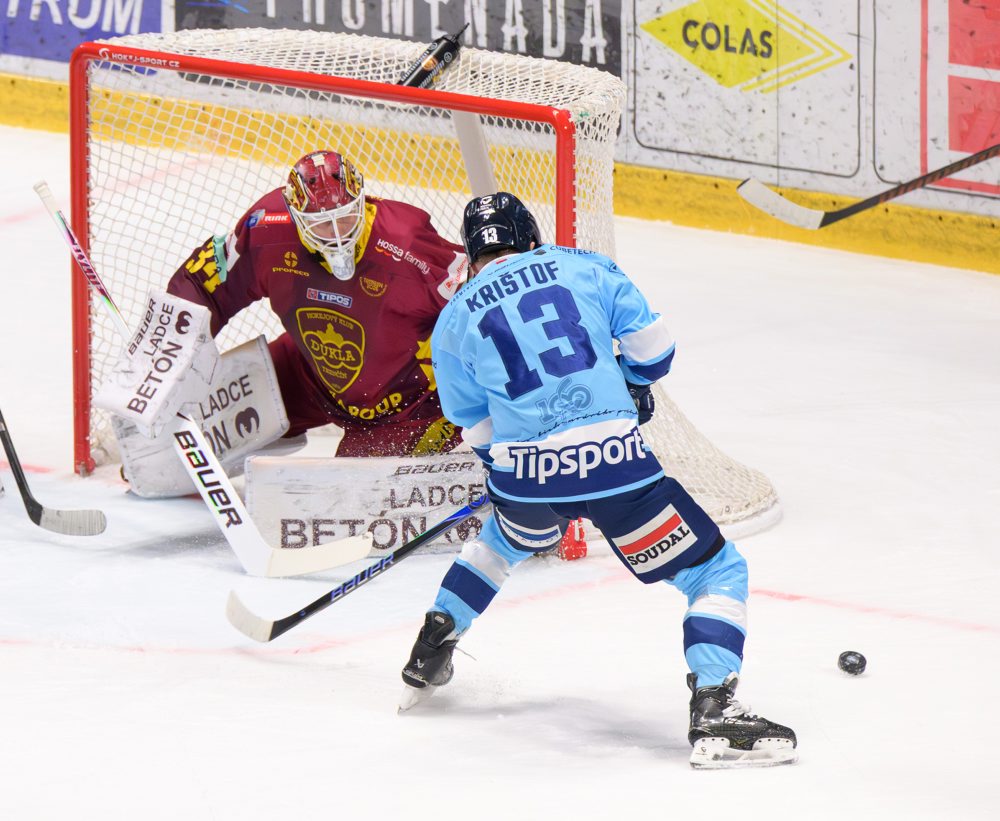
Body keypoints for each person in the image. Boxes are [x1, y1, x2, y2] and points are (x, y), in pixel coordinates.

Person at [399, 192, 797, 769]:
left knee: (506, 538)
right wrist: (634, 383)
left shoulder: (453, 318)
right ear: (530, 237)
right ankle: (714, 707)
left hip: (526, 479)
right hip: (615, 469)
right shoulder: (585, 265)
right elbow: (655, 351)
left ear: (473, 252)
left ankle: (432, 644)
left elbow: (475, 424)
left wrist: (510, 470)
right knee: (717, 571)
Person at [166, 150, 469, 457]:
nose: (337, 235)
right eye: (322, 224)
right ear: (296, 216)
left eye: (345, 217)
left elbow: (478, 297)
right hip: (312, 376)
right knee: (197, 417)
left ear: (362, 203)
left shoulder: (405, 242)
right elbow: (204, 284)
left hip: (410, 407)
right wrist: (174, 352)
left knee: (351, 485)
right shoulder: (267, 228)